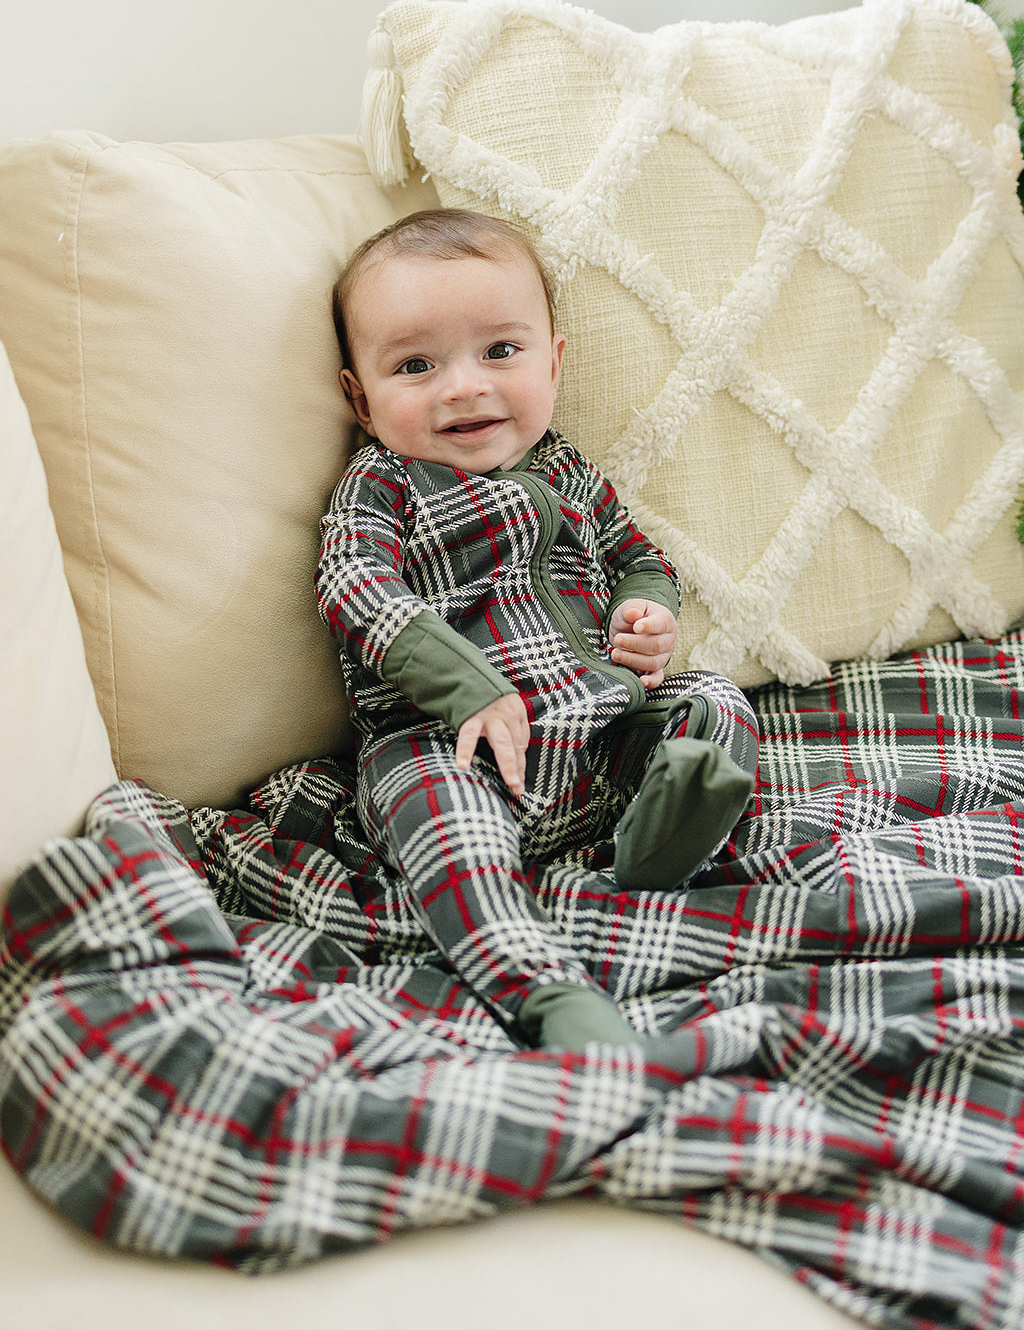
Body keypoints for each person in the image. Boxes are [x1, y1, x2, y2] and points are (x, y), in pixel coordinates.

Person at [316, 208, 758, 1050]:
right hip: (448, 745)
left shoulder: (565, 469)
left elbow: (638, 556)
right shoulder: (385, 484)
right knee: (440, 824)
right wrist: (466, 688)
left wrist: (645, 612)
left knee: (715, 703)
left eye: (499, 351)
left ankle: (656, 849)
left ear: (552, 365)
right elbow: (352, 584)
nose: (463, 386)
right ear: (361, 400)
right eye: (415, 365)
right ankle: (546, 992)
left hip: (601, 726)